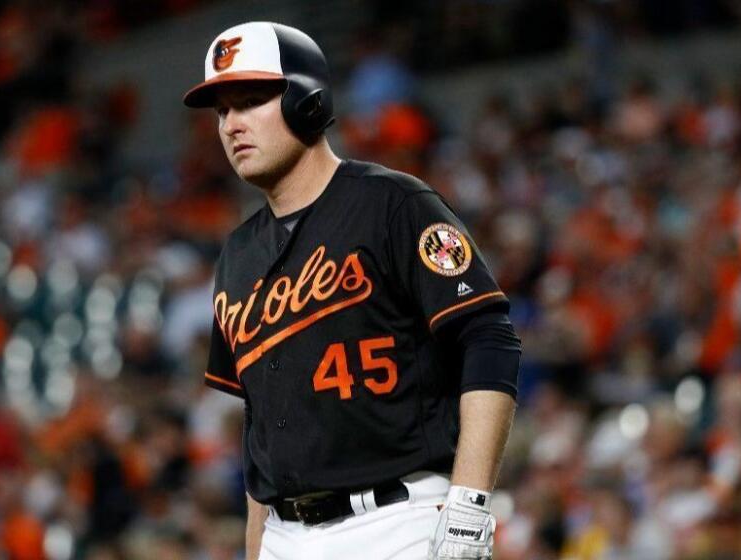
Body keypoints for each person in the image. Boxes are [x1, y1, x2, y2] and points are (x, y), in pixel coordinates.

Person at [183, 21, 521, 560]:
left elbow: (488, 340)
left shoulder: (394, 205)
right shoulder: (237, 256)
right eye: (221, 111)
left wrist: (470, 500)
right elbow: (261, 421)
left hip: (400, 520)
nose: (230, 125)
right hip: (284, 536)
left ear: (307, 101)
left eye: (249, 102)